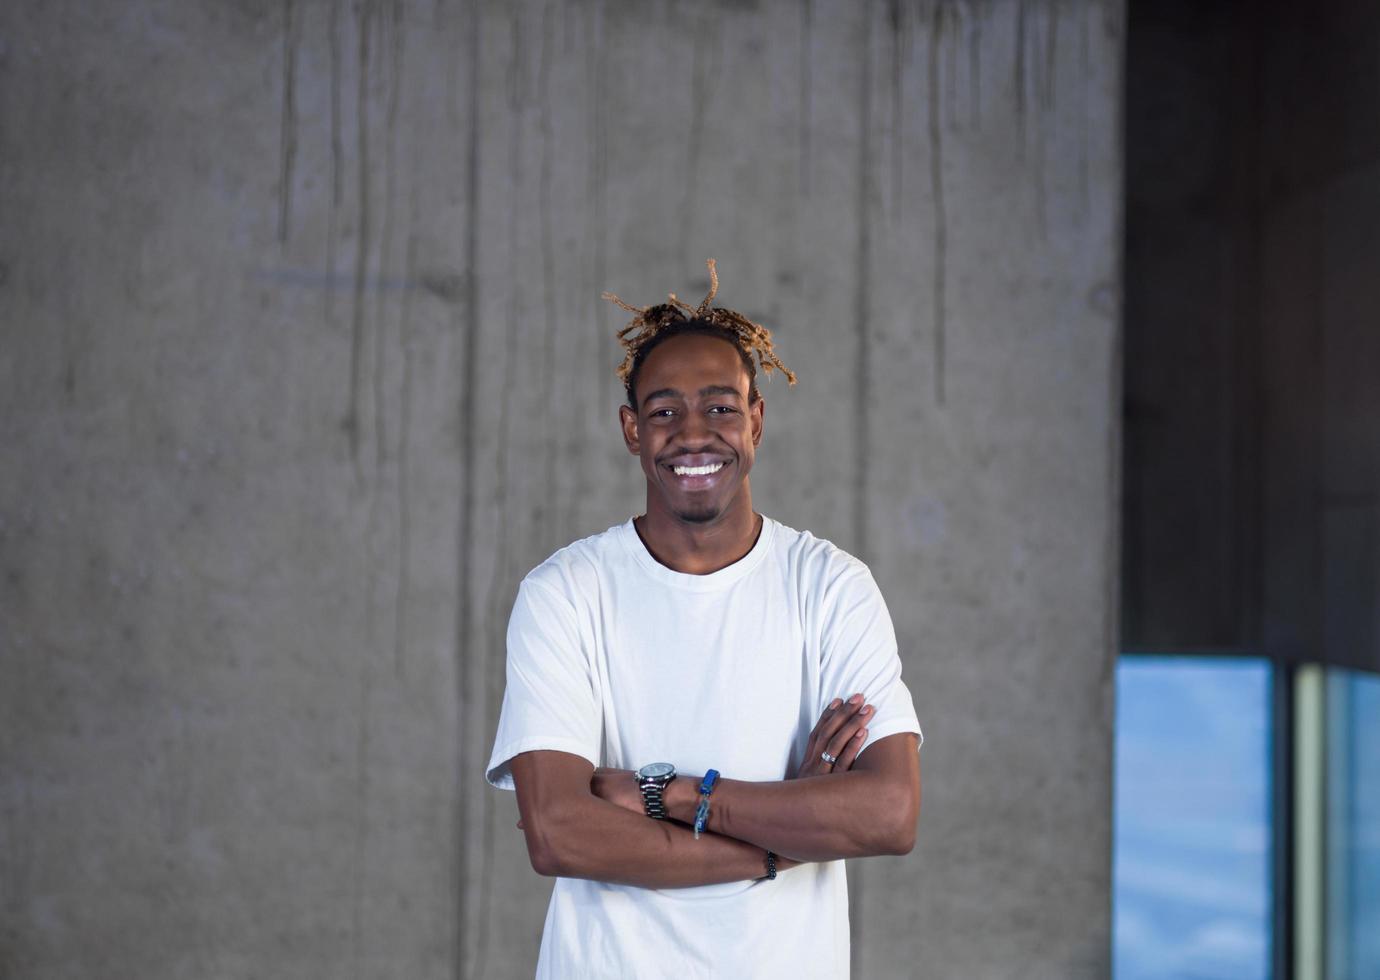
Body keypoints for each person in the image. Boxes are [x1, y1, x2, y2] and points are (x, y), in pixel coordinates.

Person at [485, 260, 923, 979]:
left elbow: (890, 814)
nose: (694, 434)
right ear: (632, 430)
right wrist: (789, 835)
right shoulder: (565, 592)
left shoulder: (830, 587)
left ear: (756, 419)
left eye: (721, 407)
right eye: (664, 411)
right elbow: (559, 834)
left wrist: (674, 795)